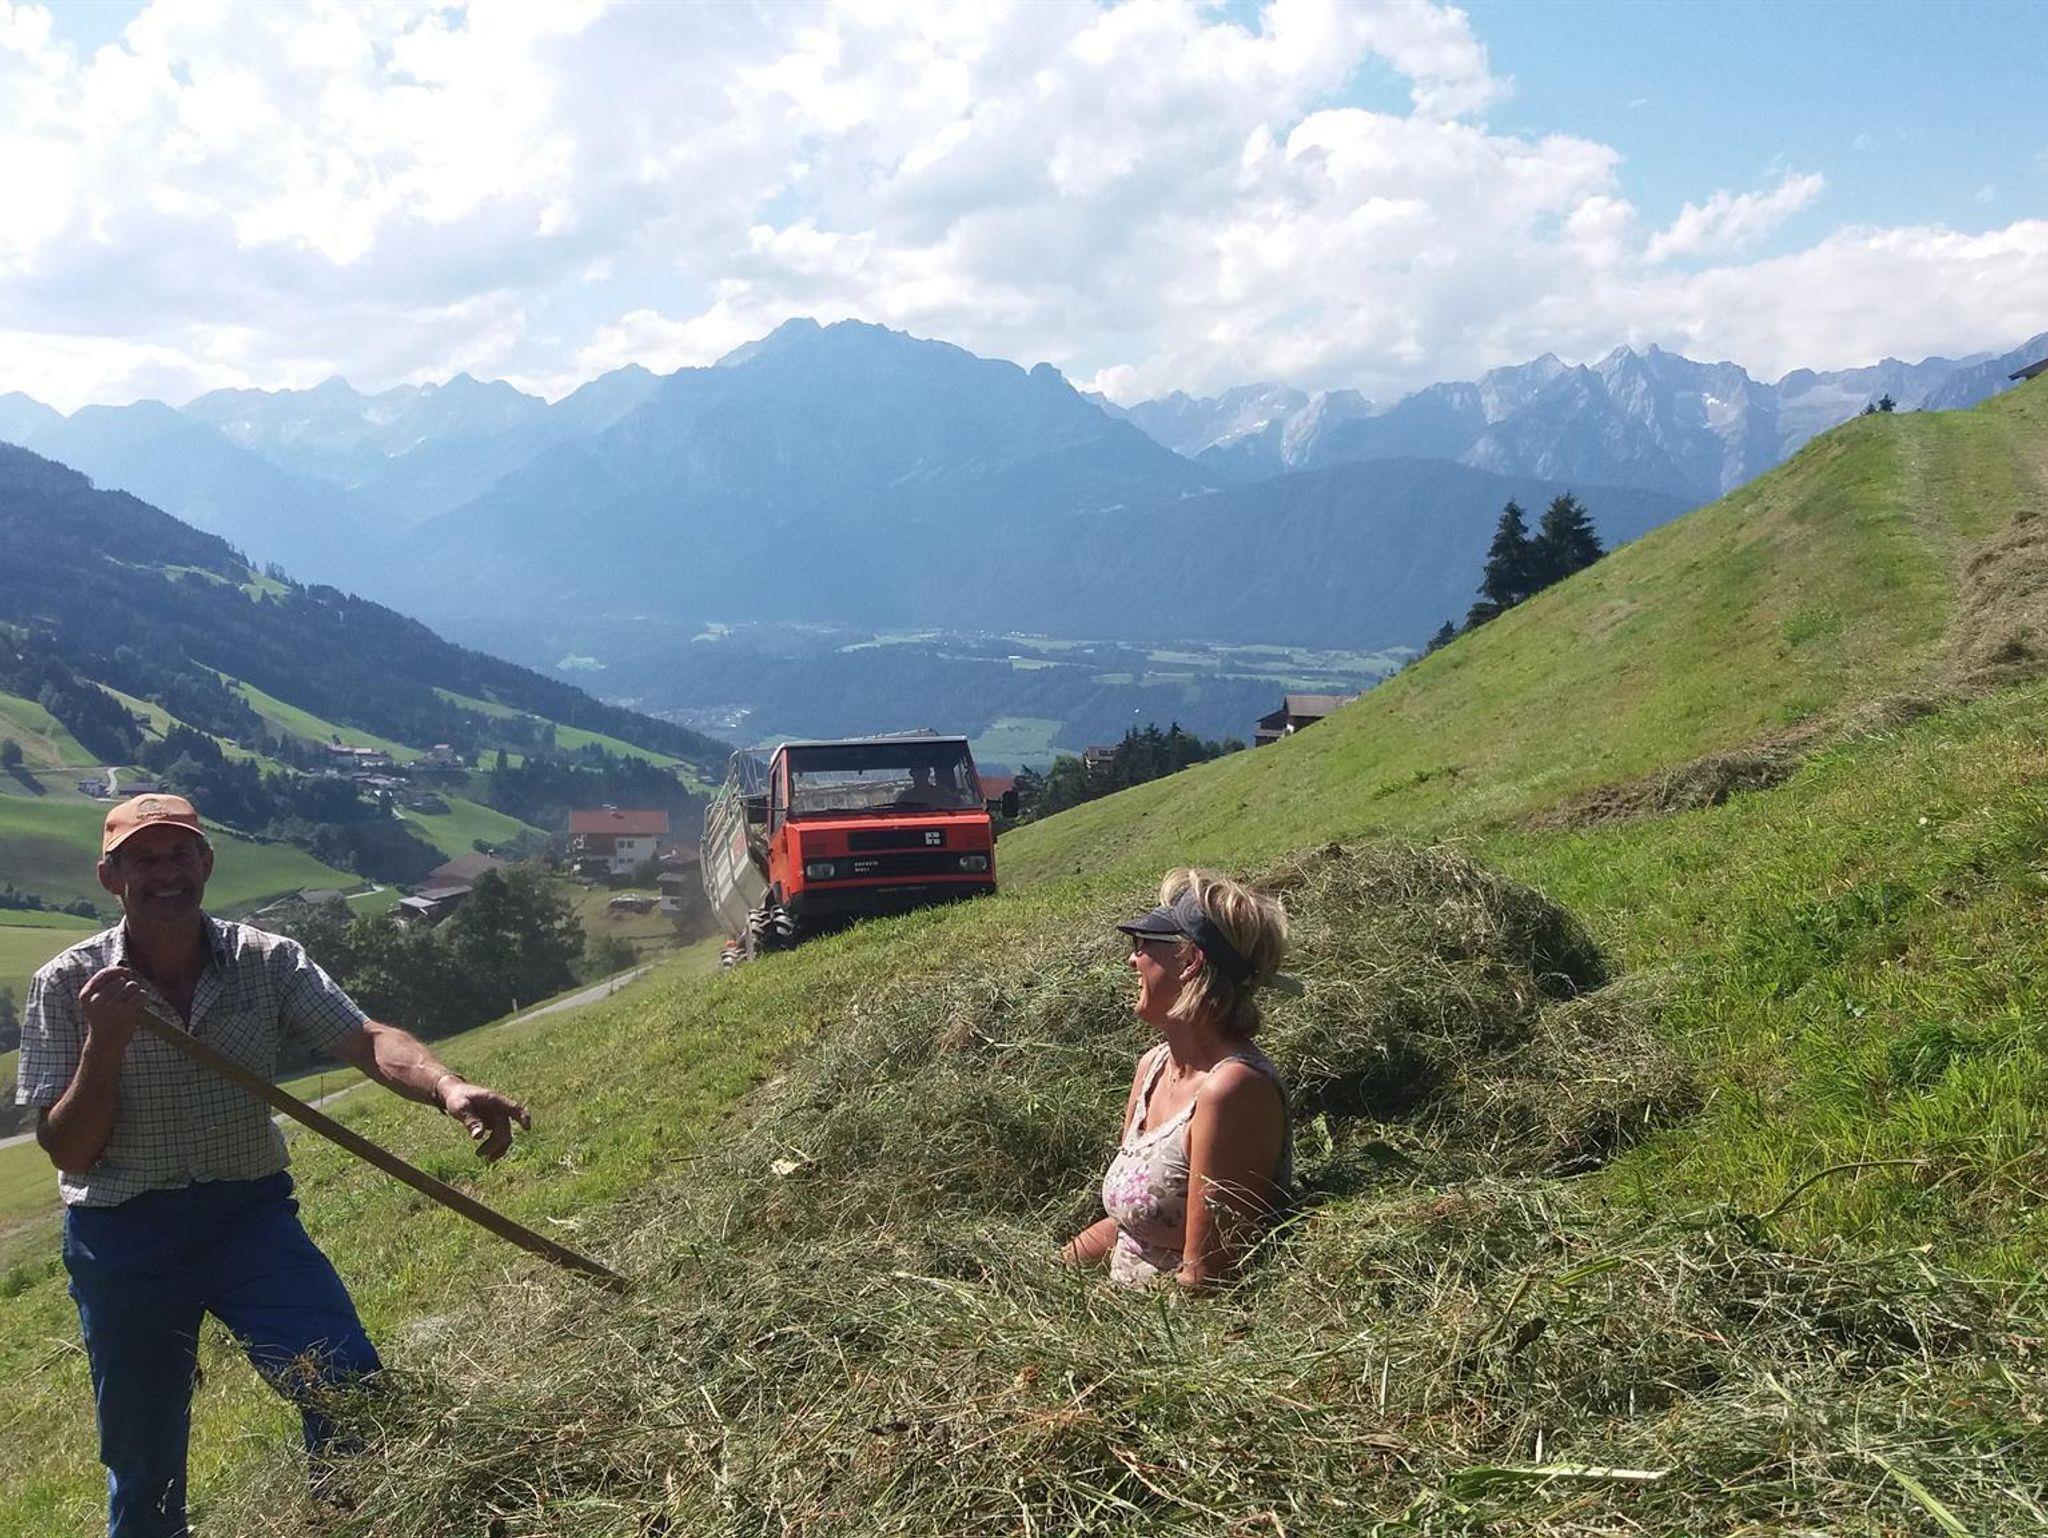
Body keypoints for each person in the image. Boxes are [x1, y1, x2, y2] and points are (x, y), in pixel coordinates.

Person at [16, 794, 533, 1538]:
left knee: (346, 1386)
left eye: (180, 854)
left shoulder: (266, 960)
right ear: (110, 877)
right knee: (144, 1454)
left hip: (247, 1218)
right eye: (143, 860)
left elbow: (365, 1039)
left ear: (206, 863)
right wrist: (105, 1042)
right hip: (124, 1237)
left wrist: (447, 1087)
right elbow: (69, 1149)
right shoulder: (68, 985)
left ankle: (352, 1519)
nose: (166, 874)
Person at [1060, 868, 1293, 1289]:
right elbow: (1127, 1227)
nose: (1133, 959)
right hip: (1117, 1310)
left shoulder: (1232, 1091)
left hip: (1167, 1322)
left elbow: (1207, 1277)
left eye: (1143, 944)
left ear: (1190, 961)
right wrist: (1047, 1274)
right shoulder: (1152, 1067)